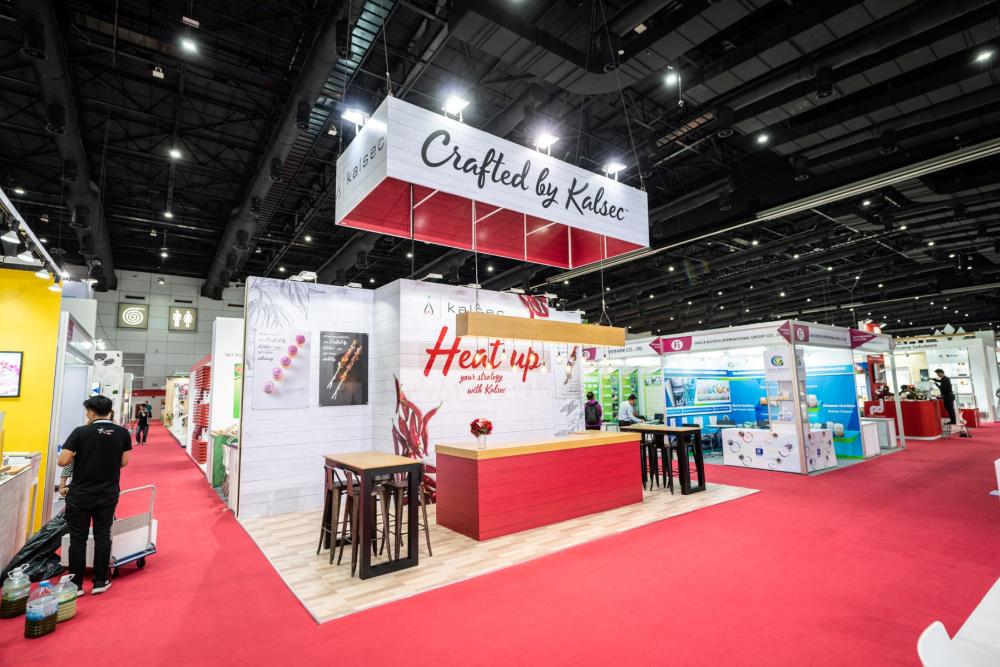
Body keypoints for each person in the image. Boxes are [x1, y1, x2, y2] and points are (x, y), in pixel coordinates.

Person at [58, 395, 132, 596]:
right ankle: (100, 581)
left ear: (90, 413)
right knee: (102, 535)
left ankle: (76, 585)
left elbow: (63, 461)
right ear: (109, 411)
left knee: (78, 538)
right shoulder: (122, 433)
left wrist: (79, 454)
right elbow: (124, 462)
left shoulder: (80, 432)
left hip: (80, 494)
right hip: (108, 492)